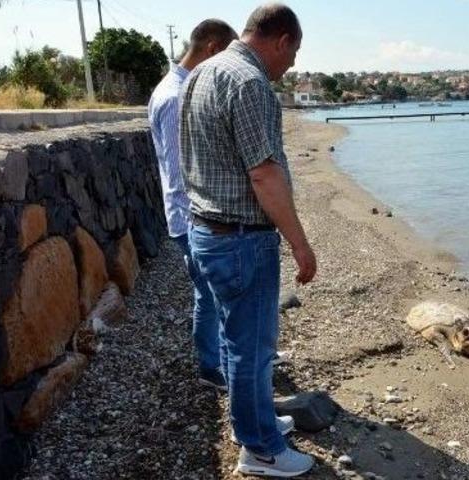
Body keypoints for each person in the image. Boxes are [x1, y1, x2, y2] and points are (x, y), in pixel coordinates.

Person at [180, 3, 316, 477]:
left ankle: (253, 423)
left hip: (207, 231)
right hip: (240, 239)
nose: (293, 63)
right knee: (251, 347)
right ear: (280, 40)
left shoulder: (203, 71)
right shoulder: (250, 82)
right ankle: (260, 449)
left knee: (235, 339)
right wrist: (299, 242)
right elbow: (263, 174)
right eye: (294, 52)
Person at [148, 19, 237, 390]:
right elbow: (178, 168)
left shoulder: (184, 89)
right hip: (190, 217)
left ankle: (220, 356)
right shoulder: (174, 96)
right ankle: (210, 365)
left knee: (213, 290)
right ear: (213, 49)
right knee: (208, 291)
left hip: (194, 214)